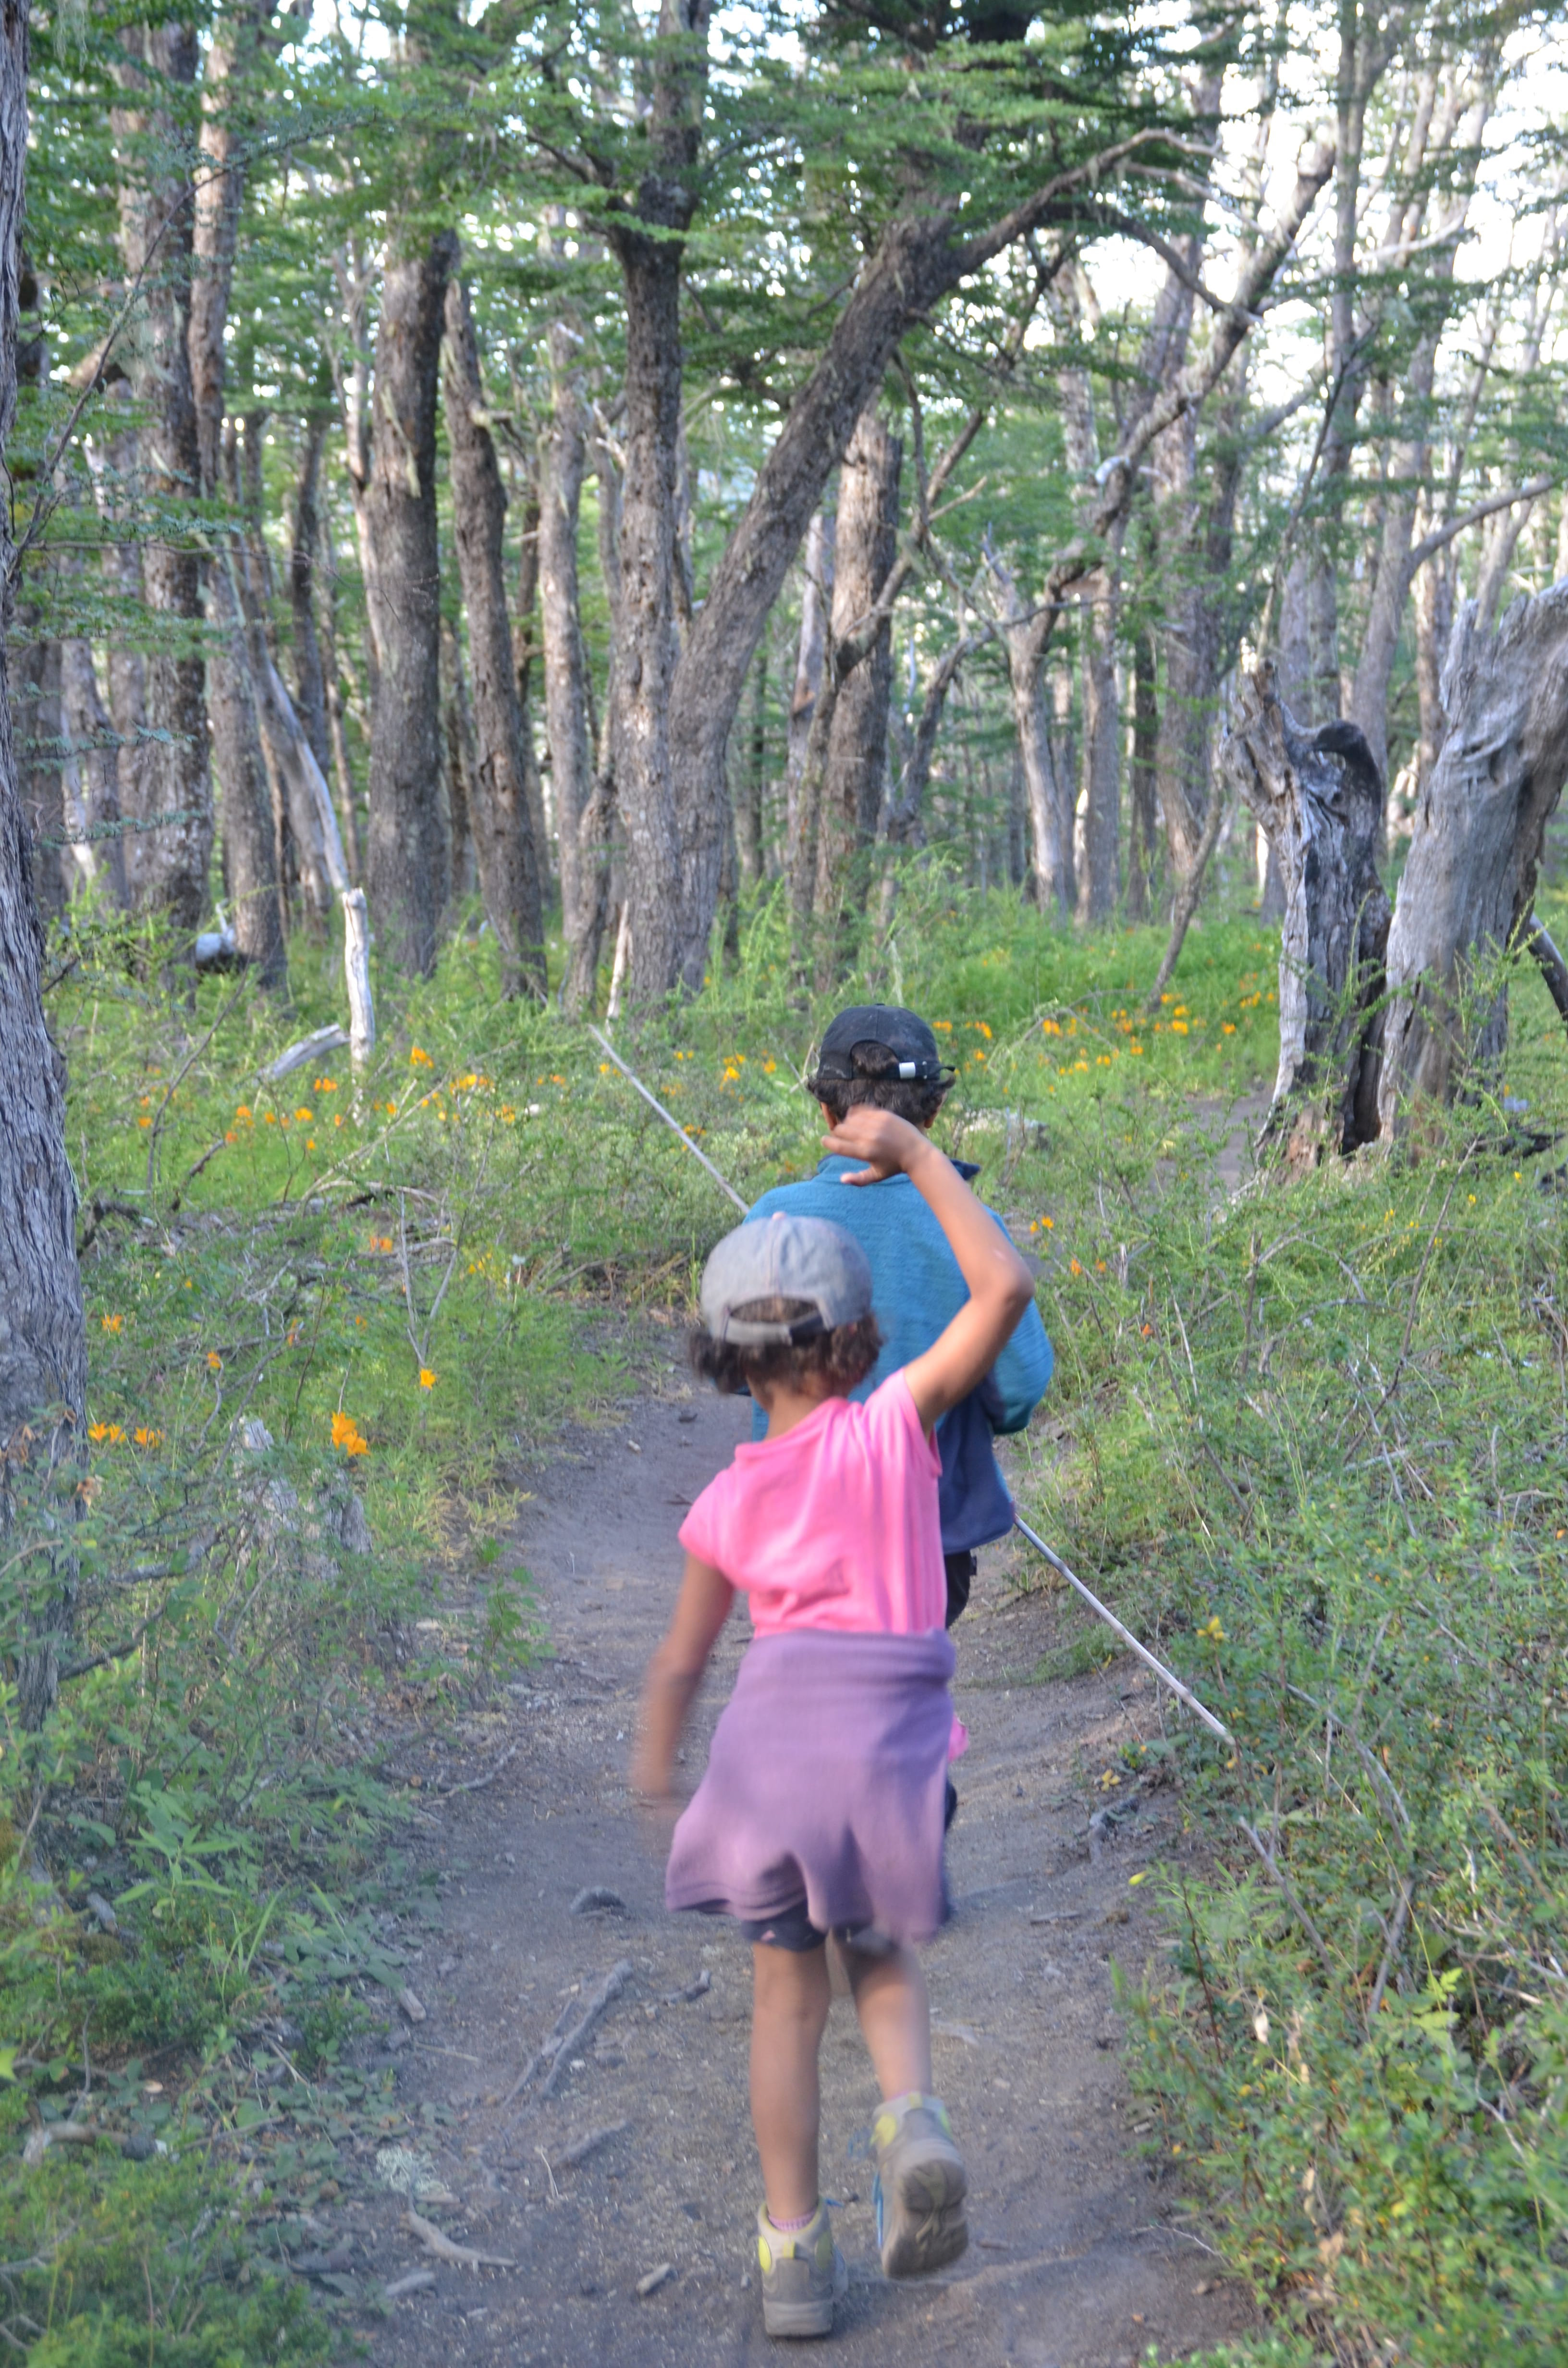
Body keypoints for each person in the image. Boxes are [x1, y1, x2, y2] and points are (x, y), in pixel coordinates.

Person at [633, 1105, 1035, 2340]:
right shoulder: (897, 1425)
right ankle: (912, 2120)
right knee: (882, 1959)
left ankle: (794, 2254)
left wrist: (657, 1770)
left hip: (770, 1766)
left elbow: (683, 1661)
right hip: (890, 1761)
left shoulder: (724, 1502)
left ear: (725, 1358)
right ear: (861, 1341)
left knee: (785, 2005)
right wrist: (918, 1158)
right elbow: (1006, 1288)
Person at [746, 1004, 1052, 1636]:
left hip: (796, 1533)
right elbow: (1020, 1391)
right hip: (927, 1546)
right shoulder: (977, 1235)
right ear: (933, 1113)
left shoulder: (772, 1217)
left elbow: (741, 1370)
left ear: (826, 1111)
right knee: (901, 1690)